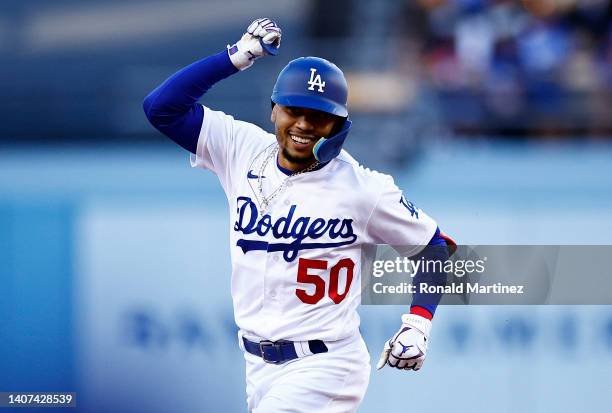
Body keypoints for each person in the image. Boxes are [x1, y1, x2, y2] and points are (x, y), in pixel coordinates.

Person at [143, 18, 455, 413]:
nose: (304, 124)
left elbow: (434, 248)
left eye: (319, 115)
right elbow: (161, 109)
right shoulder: (242, 148)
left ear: (339, 125)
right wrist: (236, 57)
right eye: (295, 109)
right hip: (257, 366)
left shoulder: (363, 188)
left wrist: (418, 324)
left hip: (326, 363)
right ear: (274, 110)